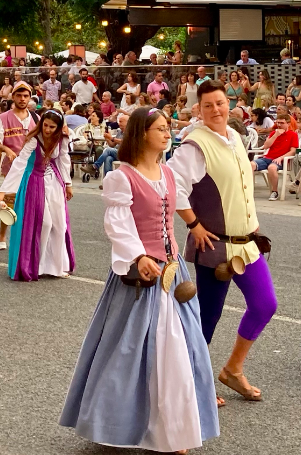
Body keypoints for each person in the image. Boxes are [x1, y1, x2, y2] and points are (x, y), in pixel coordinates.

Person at [60, 107, 219, 452]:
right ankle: (118, 424)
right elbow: (118, 224)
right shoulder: (122, 177)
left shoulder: (169, 173)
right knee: (131, 351)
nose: (167, 134)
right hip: (141, 275)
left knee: (181, 349)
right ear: (142, 133)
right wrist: (137, 256)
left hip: (174, 272)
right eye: (160, 129)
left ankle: (175, 431)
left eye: (168, 128)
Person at [168, 80, 277, 404]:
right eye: (208, 105)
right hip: (214, 246)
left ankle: (233, 369)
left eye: (220, 103)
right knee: (207, 317)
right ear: (198, 110)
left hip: (247, 244)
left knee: (265, 305)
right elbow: (174, 186)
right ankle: (190, 383)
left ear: (228, 104)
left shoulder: (234, 137)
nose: (216, 110)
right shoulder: (193, 145)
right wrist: (194, 225)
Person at [0, 109, 76, 281]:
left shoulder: (62, 139)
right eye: (45, 125)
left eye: (52, 127)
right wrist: (3, 191)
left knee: (60, 225)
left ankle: (56, 266)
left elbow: (63, 160)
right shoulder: (33, 140)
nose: (47, 129)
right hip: (34, 180)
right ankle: (36, 265)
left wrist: (68, 184)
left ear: (59, 127)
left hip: (54, 181)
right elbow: (20, 163)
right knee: (44, 224)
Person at [0, 82, 38, 250]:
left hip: (32, 167)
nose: (22, 99)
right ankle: (1, 234)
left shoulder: (36, 118)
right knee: (8, 202)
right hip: (11, 167)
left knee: (31, 202)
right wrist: (5, 148)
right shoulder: (3, 118)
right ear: (13, 97)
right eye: (19, 96)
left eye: (26, 96)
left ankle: (26, 236)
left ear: (30, 98)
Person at [254, 114, 298, 201]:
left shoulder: (293, 135)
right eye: (277, 122)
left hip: (281, 160)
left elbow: (292, 151)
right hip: (267, 157)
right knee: (250, 165)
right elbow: (266, 146)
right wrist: (275, 135)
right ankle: (249, 190)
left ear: (288, 124)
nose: (279, 125)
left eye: (282, 123)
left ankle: (274, 191)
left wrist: (280, 158)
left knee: (272, 168)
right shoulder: (274, 133)